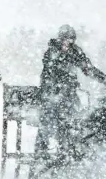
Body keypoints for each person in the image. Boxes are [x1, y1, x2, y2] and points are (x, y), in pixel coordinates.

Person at [35, 24, 106, 162]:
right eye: (66, 39)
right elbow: (47, 76)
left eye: (71, 40)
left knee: (72, 118)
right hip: (52, 94)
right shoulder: (52, 52)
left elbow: (88, 69)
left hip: (68, 95)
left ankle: (68, 148)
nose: (68, 43)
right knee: (50, 117)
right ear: (60, 38)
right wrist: (56, 88)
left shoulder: (75, 52)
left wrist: (103, 79)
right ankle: (43, 149)